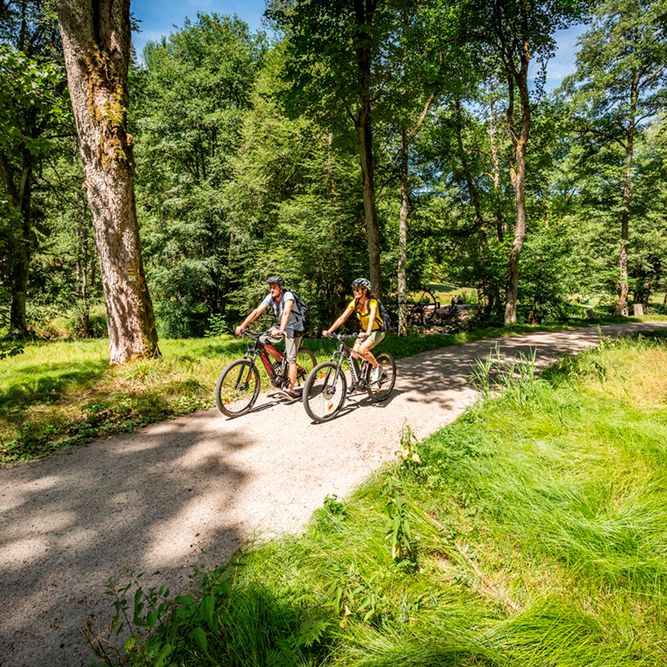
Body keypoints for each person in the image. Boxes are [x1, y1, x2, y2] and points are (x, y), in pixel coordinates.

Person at [235, 276, 304, 397]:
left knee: (291, 359)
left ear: (281, 288)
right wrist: (242, 325)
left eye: (274, 287)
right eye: (270, 288)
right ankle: (280, 360)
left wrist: (281, 329)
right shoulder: (270, 298)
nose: (272, 290)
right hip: (281, 326)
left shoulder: (288, 296)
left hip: (294, 328)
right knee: (262, 340)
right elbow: (257, 311)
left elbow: (287, 312)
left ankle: (291, 389)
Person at [322, 277, 385, 385]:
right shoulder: (354, 303)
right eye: (354, 289)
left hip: (377, 331)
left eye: (357, 289)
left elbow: (372, 319)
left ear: (364, 290)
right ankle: (359, 381)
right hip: (364, 332)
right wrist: (329, 331)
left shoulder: (372, 302)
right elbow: (342, 318)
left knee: (362, 350)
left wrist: (368, 333)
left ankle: (378, 368)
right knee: (353, 356)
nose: (354, 291)